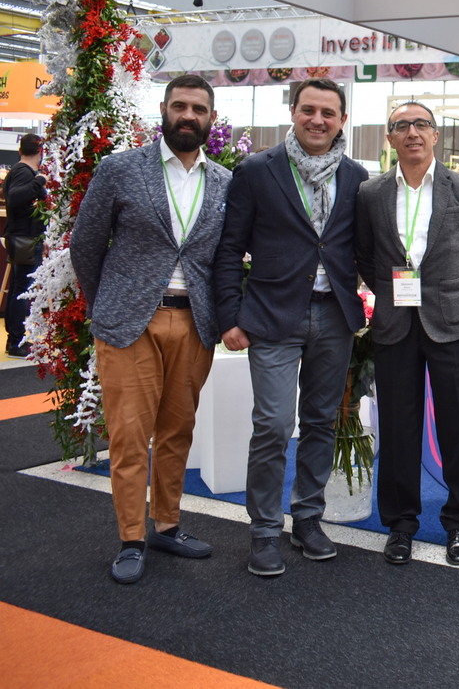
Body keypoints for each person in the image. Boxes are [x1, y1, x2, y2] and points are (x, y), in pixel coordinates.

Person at [69, 75, 231, 584]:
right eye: (180, 106)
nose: (188, 115)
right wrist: (108, 305)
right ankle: (131, 538)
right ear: (164, 110)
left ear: (211, 119)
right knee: (130, 436)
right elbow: (85, 244)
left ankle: (167, 524)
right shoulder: (120, 169)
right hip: (129, 324)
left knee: (178, 432)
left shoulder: (225, 182)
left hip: (195, 323)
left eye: (198, 109)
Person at [214, 78, 368, 578]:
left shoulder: (356, 176)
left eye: (328, 112)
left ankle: (307, 519)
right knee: (274, 425)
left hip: (334, 316)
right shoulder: (258, 170)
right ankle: (263, 530)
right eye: (309, 110)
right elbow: (229, 248)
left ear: (342, 120)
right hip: (273, 316)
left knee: (321, 422)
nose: (317, 120)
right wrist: (229, 316)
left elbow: (361, 249)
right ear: (293, 112)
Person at [355, 101, 459, 566]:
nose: (412, 132)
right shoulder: (371, 193)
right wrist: (389, 293)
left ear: (435, 135)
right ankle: (400, 525)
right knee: (398, 428)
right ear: (390, 138)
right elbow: (364, 255)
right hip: (395, 325)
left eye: (421, 124)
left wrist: (457, 296)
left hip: (452, 325)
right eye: (402, 125)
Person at [4, 133, 46, 356]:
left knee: (18, 289)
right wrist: (39, 182)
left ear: (20, 150)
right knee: (22, 290)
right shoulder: (24, 172)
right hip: (25, 238)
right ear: (40, 151)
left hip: (22, 237)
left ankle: (15, 339)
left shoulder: (19, 171)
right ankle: (16, 341)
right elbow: (15, 198)